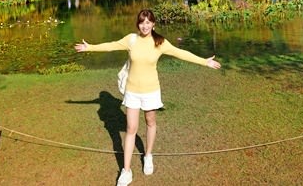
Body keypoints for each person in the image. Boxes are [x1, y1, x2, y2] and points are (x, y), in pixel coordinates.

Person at [75, 9, 221, 186]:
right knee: (131, 128)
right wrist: (89, 47)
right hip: (132, 92)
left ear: (153, 24)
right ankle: (126, 171)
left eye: (148, 22)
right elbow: (111, 45)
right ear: (138, 24)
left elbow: (180, 53)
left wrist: (204, 61)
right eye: (142, 22)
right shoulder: (131, 39)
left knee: (150, 122)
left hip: (151, 91)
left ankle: (148, 155)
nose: (145, 25)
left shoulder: (160, 42)